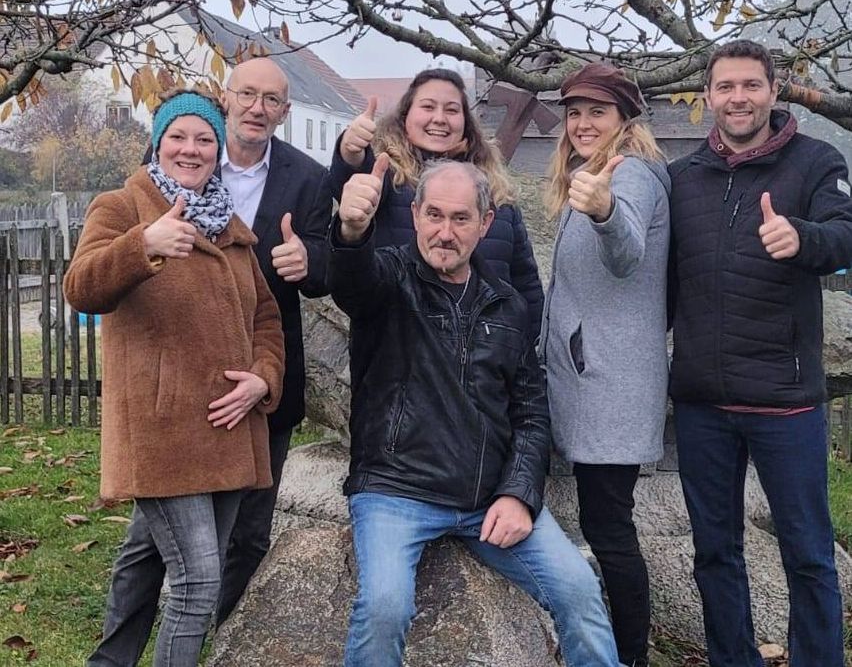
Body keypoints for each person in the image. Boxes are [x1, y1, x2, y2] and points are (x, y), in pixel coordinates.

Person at [329, 157, 622, 667]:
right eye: (435, 215)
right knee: (384, 607)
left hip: (488, 499)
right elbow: (351, 281)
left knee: (579, 590)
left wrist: (519, 495)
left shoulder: (507, 304)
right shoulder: (389, 278)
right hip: (395, 490)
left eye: (461, 218)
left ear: (486, 224)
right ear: (416, 214)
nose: (445, 232)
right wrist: (351, 230)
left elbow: (531, 413)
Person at [64, 89, 284, 666]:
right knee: (196, 582)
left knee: (146, 553)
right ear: (158, 143)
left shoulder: (229, 225)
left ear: (218, 150)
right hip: (163, 431)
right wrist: (144, 245)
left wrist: (264, 378)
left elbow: (264, 316)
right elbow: (81, 287)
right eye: (178, 137)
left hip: (230, 428)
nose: (191, 148)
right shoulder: (121, 207)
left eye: (204, 138)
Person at [668, 39, 852, 666]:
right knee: (715, 551)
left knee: (807, 552)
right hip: (701, 403)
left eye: (751, 85)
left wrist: (802, 236)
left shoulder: (816, 162)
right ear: (709, 95)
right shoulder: (682, 178)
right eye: (726, 87)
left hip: (786, 401)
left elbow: (845, 237)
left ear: (773, 91)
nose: (738, 97)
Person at [132, 58, 333, 631]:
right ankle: (120, 648)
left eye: (271, 100)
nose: (257, 108)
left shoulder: (309, 177)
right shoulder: (185, 154)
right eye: (247, 94)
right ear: (227, 97)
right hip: (178, 377)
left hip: (265, 372)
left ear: (285, 111)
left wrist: (310, 262)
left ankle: (219, 638)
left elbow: (323, 270)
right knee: (149, 540)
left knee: (248, 531)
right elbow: (126, 244)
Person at [539, 62, 670, 667]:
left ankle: (630, 657)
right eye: (575, 112)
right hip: (587, 380)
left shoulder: (631, 175)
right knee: (603, 524)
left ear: (624, 119)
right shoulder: (588, 173)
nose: (584, 122)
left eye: (598, 111)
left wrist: (604, 211)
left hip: (609, 385)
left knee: (610, 530)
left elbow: (627, 253)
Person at [329, 67, 544, 335]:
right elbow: (353, 189)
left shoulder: (496, 193)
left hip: (488, 360)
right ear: (406, 116)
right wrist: (350, 152)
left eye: (452, 110)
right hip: (401, 356)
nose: (440, 118)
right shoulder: (387, 178)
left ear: (466, 121)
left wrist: (532, 354)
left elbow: (526, 286)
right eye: (428, 107)